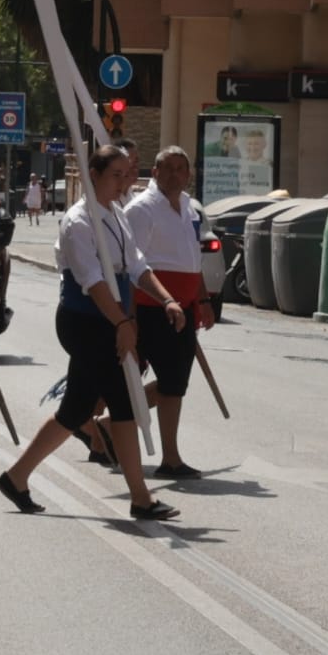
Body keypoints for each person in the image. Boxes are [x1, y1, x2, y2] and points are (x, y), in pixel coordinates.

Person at [0, 144, 185, 521]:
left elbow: (137, 266)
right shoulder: (78, 222)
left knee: (76, 408)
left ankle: (15, 477)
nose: (123, 181)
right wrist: (123, 324)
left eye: (125, 173)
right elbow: (93, 283)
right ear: (93, 176)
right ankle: (140, 498)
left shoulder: (116, 214)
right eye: (115, 174)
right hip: (84, 322)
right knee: (124, 402)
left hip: (110, 319)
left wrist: (167, 301)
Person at [120, 146, 212, 479]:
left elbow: (192, 260)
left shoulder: (188, 207)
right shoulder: (141, 210)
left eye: (180, 168)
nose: (175, 174)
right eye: (167, 168)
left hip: (182, 309)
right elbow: (131, 265)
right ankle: (105, 426)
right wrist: (128, 316)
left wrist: (201, 301)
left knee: (175, 384)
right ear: (154, 172)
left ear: (188, 174)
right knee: (135, 380)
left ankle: (169, 457)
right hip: (150, 309)